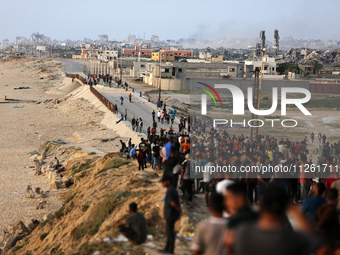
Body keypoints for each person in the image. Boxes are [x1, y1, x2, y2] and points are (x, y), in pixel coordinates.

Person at [231, 185, 318, 255]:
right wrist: (293, 209)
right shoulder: (292, 240)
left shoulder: (243, 233)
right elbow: (312, 239)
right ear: (285, 208)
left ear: (261, 207)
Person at [158, 175, 182, 255]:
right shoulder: (172, 189)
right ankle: (167, 248)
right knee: (170, 232)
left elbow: (173, 203)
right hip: (172, 214)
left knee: (170, 232)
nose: (162, 184)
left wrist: (178, 210)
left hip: (171, 214)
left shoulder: (170, 191)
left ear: (168, 181)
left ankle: (170, 249)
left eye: (163, 182)